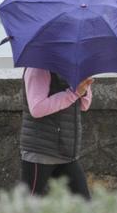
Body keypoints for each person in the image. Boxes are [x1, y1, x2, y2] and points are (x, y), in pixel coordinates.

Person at [20, 67, 94, 199]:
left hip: (65, 152)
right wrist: (74, 93)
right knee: (27, 206)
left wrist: (84, 88)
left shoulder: (71, 67)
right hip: (41, 151)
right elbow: (37, 109)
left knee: (84, 204)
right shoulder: (37, 69)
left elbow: (84, 106)